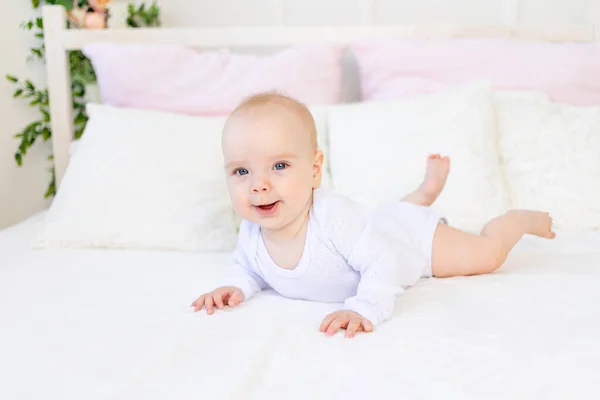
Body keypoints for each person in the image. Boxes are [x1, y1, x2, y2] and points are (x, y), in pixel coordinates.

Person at [191, 92, 555, 338]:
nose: (259, 185)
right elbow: (248, 267)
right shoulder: (253, 229)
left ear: (315, 169)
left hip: (410, 241)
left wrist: (364, 308)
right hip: (382, 222)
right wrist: (235, 287)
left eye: (280, 165)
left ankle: (517, 220)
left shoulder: (334, 218)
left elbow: (383, 263)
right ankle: (420, 196)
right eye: (242, 172)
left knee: (485, 255)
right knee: (390, 217)